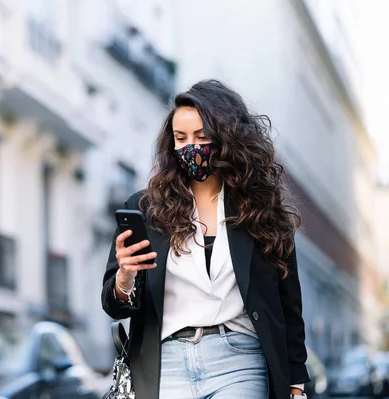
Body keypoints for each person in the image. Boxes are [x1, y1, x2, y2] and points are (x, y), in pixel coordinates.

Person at [102, 80, 309, 399]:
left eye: (201, 137)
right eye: (181, 138)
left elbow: (287, 303)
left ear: (226, 138)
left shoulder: (262, 211)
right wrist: (125, 276)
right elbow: (114, 306)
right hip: (165, 365)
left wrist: (296, 381)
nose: (190, 148)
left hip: (240, 361)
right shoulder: (146, 209)